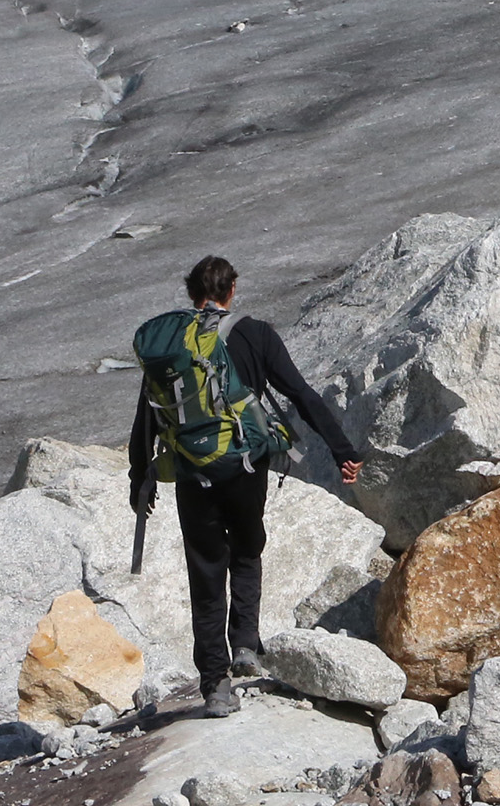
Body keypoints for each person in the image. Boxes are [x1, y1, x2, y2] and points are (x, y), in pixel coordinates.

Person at [128, 254, 364, 717]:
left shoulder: (171, 345)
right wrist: (342, 450)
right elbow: (300, 393)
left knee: (206, 573)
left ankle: (215, 686)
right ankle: (245, 645)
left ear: (192, 293)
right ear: (231, 289)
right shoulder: (255, 333)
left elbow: (147, 417)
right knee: (247, 548)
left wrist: (142, 478)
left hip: (192, 474)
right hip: (245, 468)